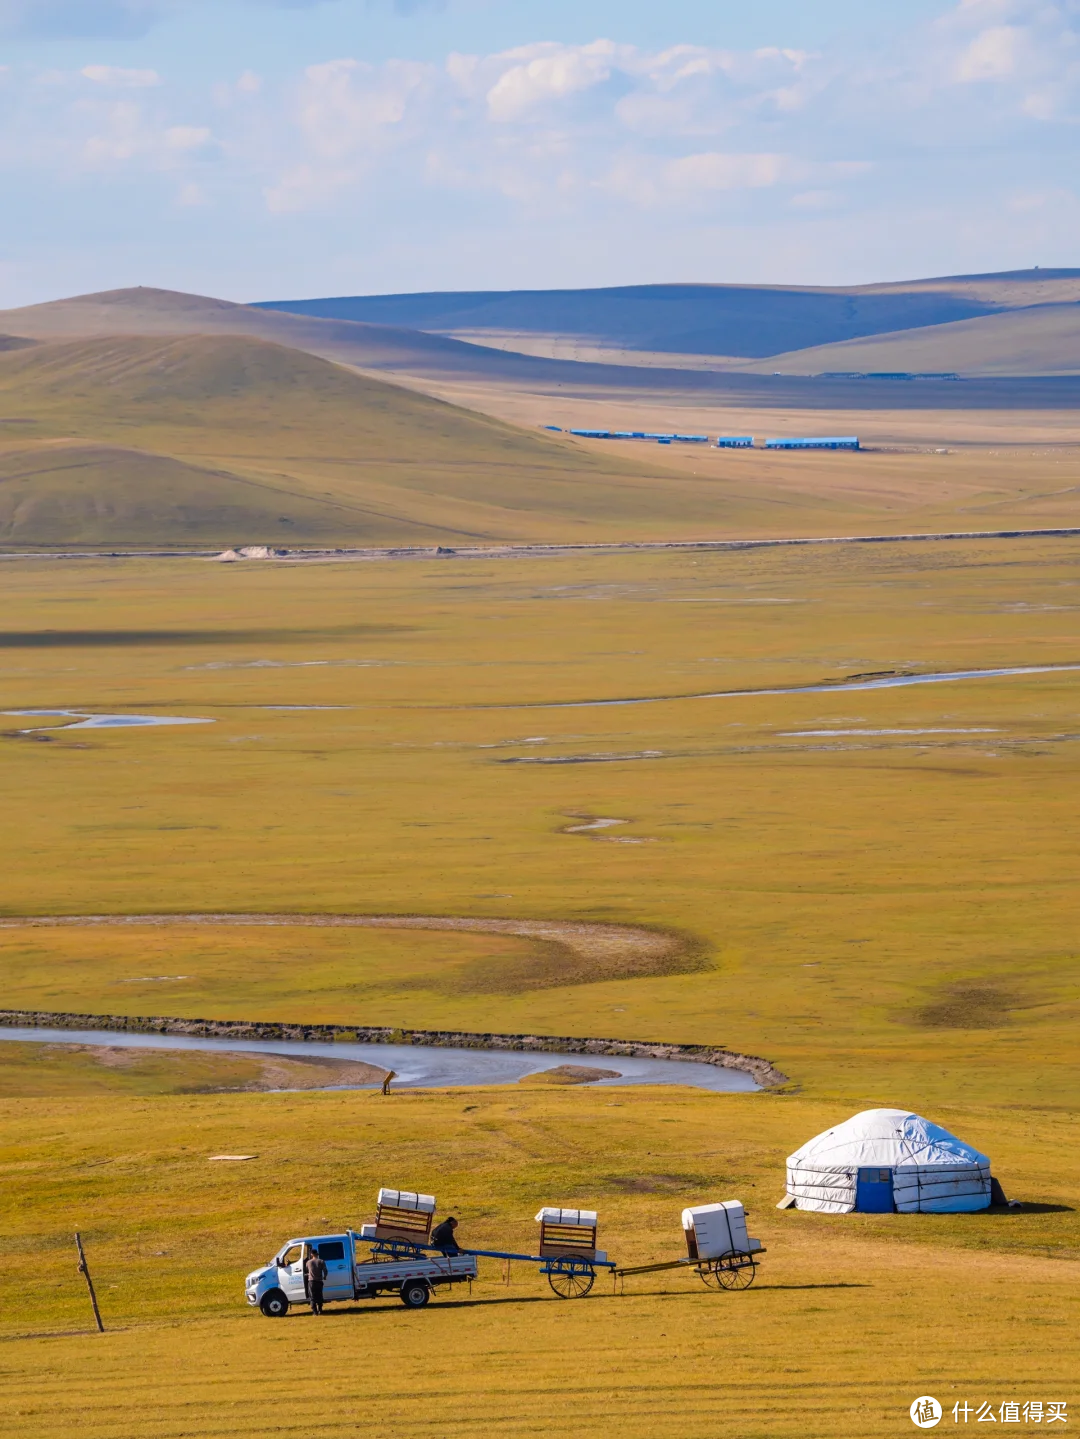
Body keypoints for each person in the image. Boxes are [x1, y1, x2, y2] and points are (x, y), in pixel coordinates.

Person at [305, 1245, 328, 1314]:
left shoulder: (308, 1262)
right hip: (319, 1281)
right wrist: (324, 1277)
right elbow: (325, 1271)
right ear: (317, 1254)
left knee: (312, 1297)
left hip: (311, 1282)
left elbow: (307, 1270)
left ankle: (315, 1312)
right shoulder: (321, 1261)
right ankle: (320, 1309)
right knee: (320, 1296)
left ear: (311, 1254)